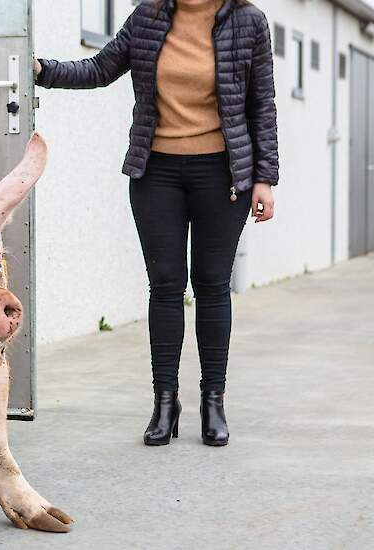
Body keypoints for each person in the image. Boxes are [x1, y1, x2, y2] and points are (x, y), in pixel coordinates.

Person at [34, 0, 278, 446]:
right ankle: (165, 403)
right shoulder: (149, 15)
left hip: (223, 174)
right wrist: (41, 70)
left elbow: (262, 103)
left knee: (211, 284)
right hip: (157, 172)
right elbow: (99, 68)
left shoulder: (249, 21)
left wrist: (264, 177)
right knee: (165, 285)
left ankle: (213, 402)